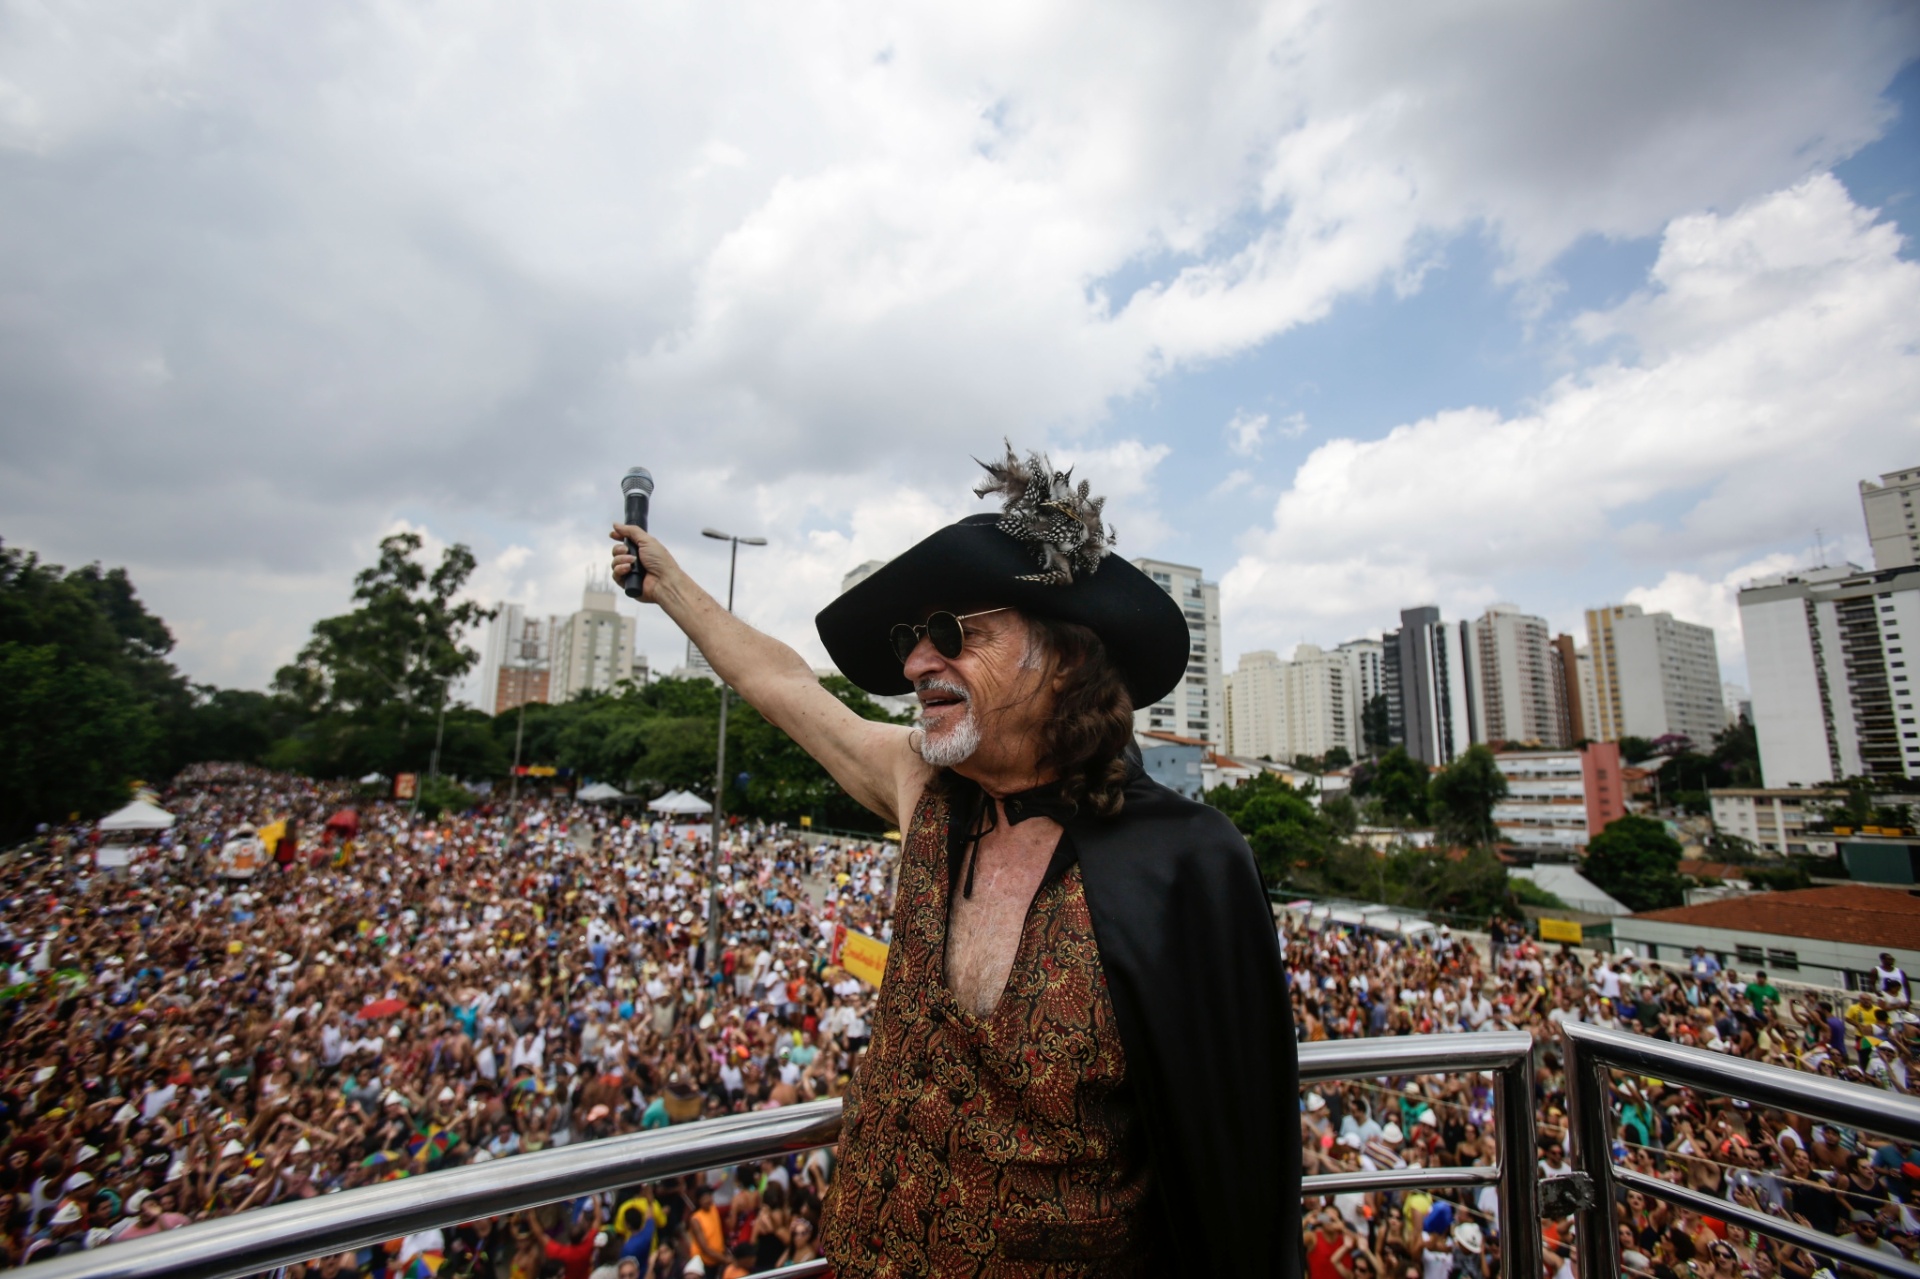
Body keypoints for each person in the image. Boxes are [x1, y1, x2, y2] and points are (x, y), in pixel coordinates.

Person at [611, 442, 1299, 1277]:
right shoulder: (923, 786)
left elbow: (1236, 1168)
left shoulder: (1190, 862)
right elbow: (786, 686)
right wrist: (672, 585)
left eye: (952, 634)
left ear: (1064, 656)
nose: (913, 664)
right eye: (912, 637)